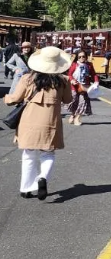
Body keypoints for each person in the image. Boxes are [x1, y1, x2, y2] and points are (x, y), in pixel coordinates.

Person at [3, 45, 73, 199]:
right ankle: (42, 178)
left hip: (29, 122)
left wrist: (6, 98)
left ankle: (26, 189)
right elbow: (68, 100)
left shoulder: (28, 78)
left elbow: (14, 99)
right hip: (51, 123)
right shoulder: (63, 81)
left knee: (28, 155)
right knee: (48, 154)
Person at [67, 50, 98, 125]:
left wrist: (96, 82)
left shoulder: (89, 65)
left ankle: (77, 118)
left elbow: (94, 74)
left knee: (83, 102)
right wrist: (72, 80)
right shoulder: (74, 64)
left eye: (83, 56)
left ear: (86, 57)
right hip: (74, 87)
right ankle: (73, 114)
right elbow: (69, 75)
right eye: (79, 57)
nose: (81, 58)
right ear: (77, 57)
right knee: (74, 101)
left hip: (84, 87)